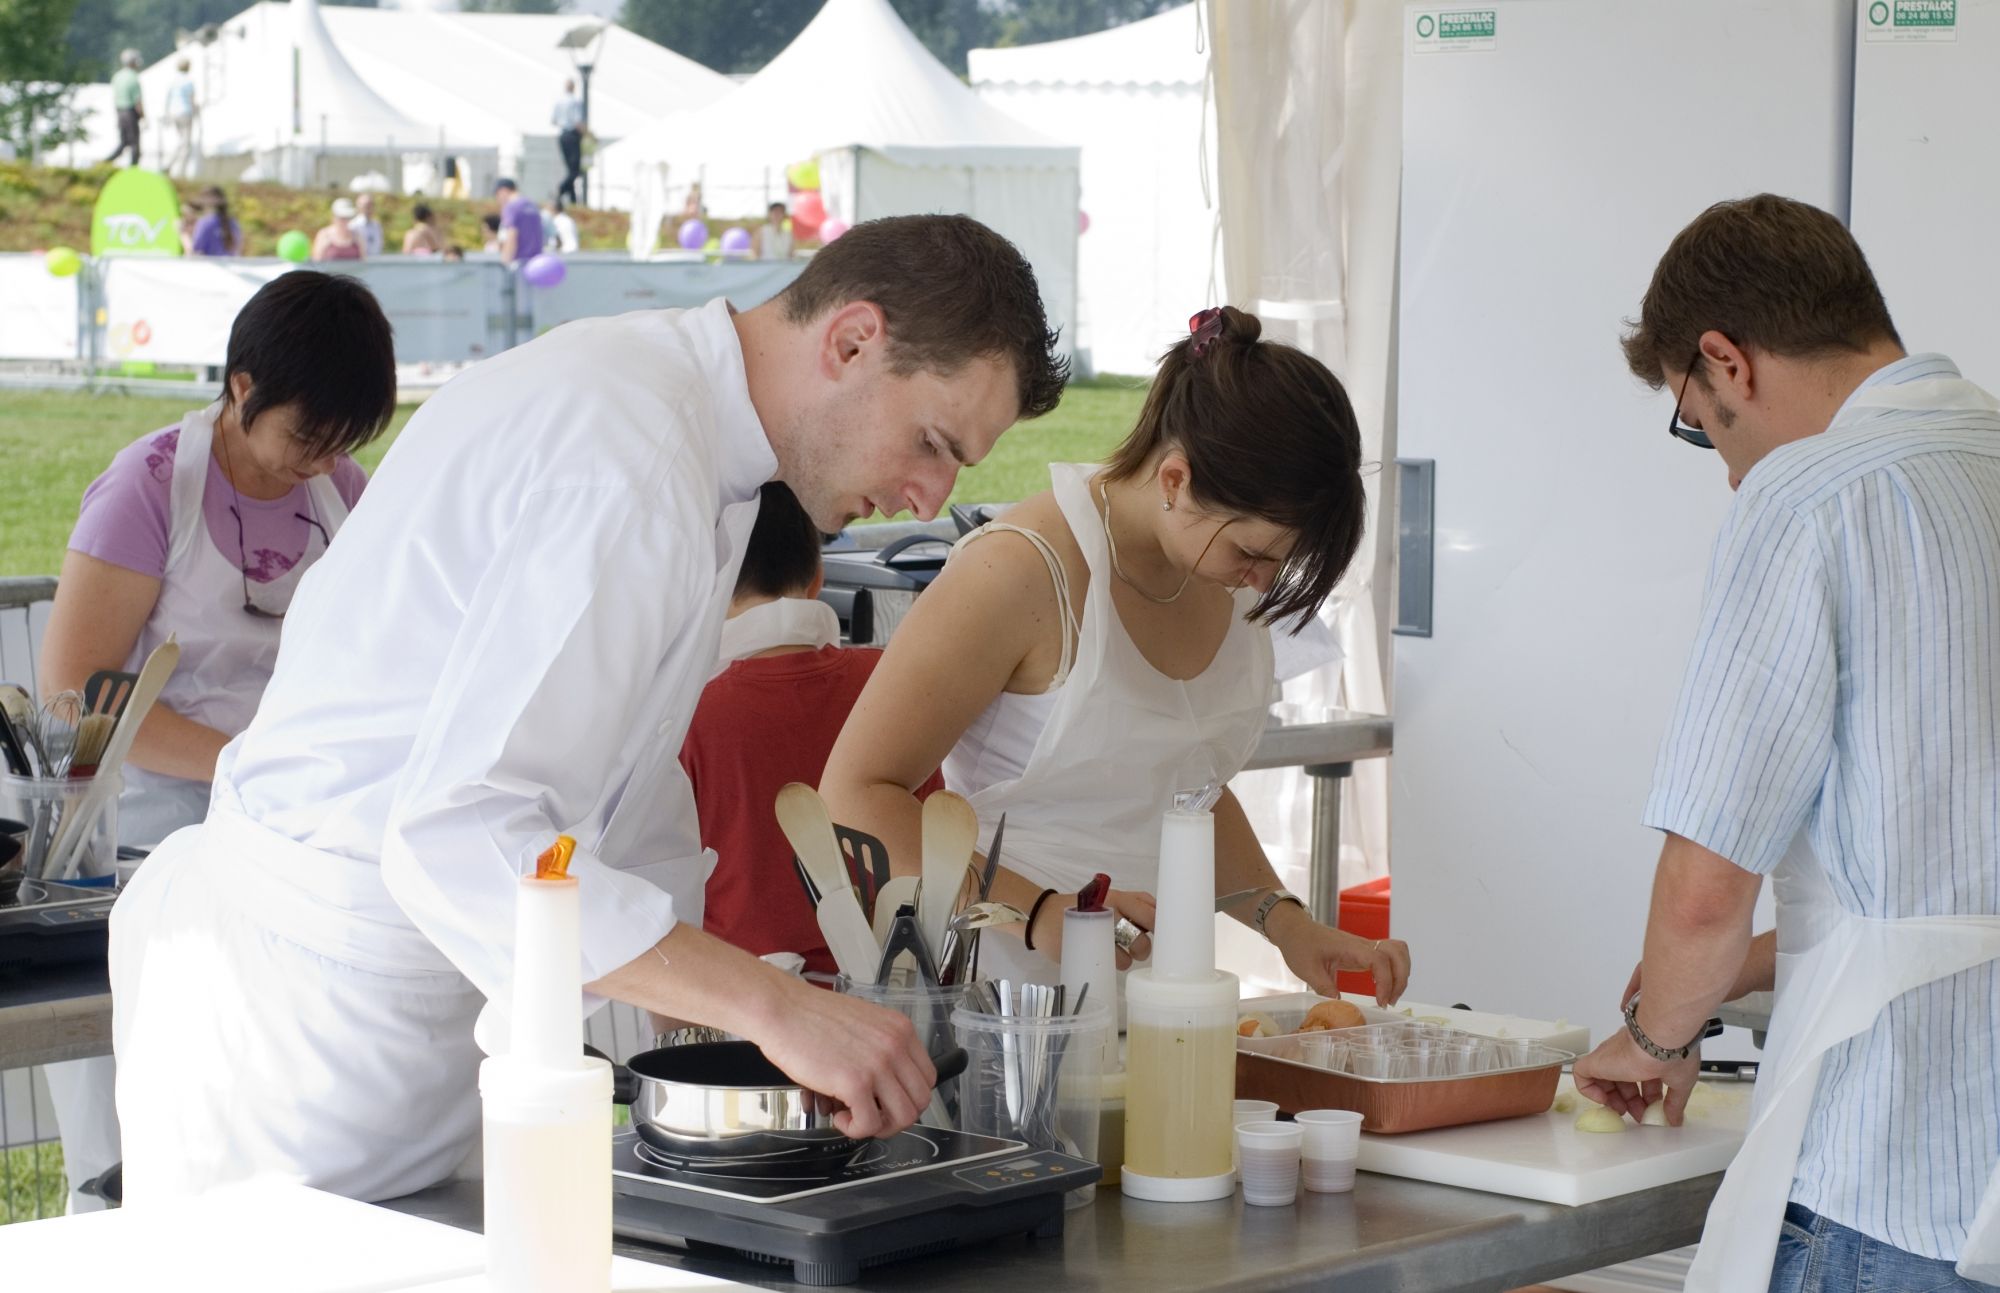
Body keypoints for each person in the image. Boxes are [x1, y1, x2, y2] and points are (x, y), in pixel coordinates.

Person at [109, 214, 1069, 1207]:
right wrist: (769, 1004)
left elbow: (614, 783)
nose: (927, 498)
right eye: (931, 443)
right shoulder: (632, 453)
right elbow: (461, 831)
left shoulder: (694, 441)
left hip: (405, 1004)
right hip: (305, 1032)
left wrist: (720, 1009)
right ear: (853, 340)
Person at [1571, 194, 2000, 1291]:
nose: (1724, 466)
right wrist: (1699, 992)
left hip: (1888, 1170)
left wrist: (1656, 1042)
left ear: (1726, 361)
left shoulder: (1806, 497)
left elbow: (1706, 888)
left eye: (1703, 421)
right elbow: (1934, 886)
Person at [822, 306, 1412, 1004]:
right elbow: (854, 799)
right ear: (1174, 480)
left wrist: (1284, 922)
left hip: (1156, 1004)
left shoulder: (1220, 575)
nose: (1259, 581)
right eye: (1251, 552)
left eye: (1279, 565)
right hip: (999, 1011)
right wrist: (1039, 912)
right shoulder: (1020, 571)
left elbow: (1183, 785)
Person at [39, 272, 394, 1214]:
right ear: (241, 388)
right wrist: (242, 763)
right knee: (134, 1137)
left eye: (342, 444)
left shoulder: (342, 496)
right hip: (143, 845)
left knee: (261, 1120)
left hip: (288, 848)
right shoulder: (147, 487)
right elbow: (75, 696)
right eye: (304, 436)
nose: (321, 463)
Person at [681, 483, 945, 975]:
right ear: (819, 576)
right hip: (900, 1004)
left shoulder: (685, 717)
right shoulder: (892, 685)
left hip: (741, 1015)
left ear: (703, 583)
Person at [104, 50, 143, 168]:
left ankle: (105, 163)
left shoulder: (117, 76)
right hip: (130, 112)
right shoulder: (133, 77)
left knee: (123, 142)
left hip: (120, 112)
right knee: (135, 144)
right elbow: (138, 101)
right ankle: (134, 169)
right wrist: (142, 115)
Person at [493, 177, 542, 266]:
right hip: (536, 262)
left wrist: (505, 262)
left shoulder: (511, 207)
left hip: (519, 263)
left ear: (503, 191)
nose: (498, 200)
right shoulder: (532, 205)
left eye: (497, 195)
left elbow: (512, 235)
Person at [551, 78, 585, 207]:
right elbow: (578, 122)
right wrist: (588, 135)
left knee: (570, 169)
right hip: (572, 136)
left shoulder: (558, 102)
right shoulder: (575, 102)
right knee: (575, 171)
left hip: (562, 135)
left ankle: (573, 201)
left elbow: (553, 120)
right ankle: (561, 189)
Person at [163, 58, 197, 179]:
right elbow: (192, 99)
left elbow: (168, 98)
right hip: (185, 112)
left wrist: (166, 114)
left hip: (174, 113)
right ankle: (180, 171)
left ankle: (170, 164)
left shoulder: (173, 81)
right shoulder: (188, 81)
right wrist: (196, 112)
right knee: (185, 143)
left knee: (181, 141)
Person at [188, 186, 241, 257]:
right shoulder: (233, 222)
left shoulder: (205, 222)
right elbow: (237, 248)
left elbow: (195, 251)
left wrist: (184, 234)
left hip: (210, 266)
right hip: (232, 264)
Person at [312, 198, 364, 262]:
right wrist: (324, 249)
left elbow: (363, 262)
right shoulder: (324, 234)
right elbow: (316, 261)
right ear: (334, 217)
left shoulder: (357, 235)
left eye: (348, 217)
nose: (345, 221)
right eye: (342, 218)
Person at [348, 192, 384, 259]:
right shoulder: (352, 225)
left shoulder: (377, 225)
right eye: (365, 205)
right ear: (358, 206)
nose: (368, 208)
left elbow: (379, 247)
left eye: (370, 205)